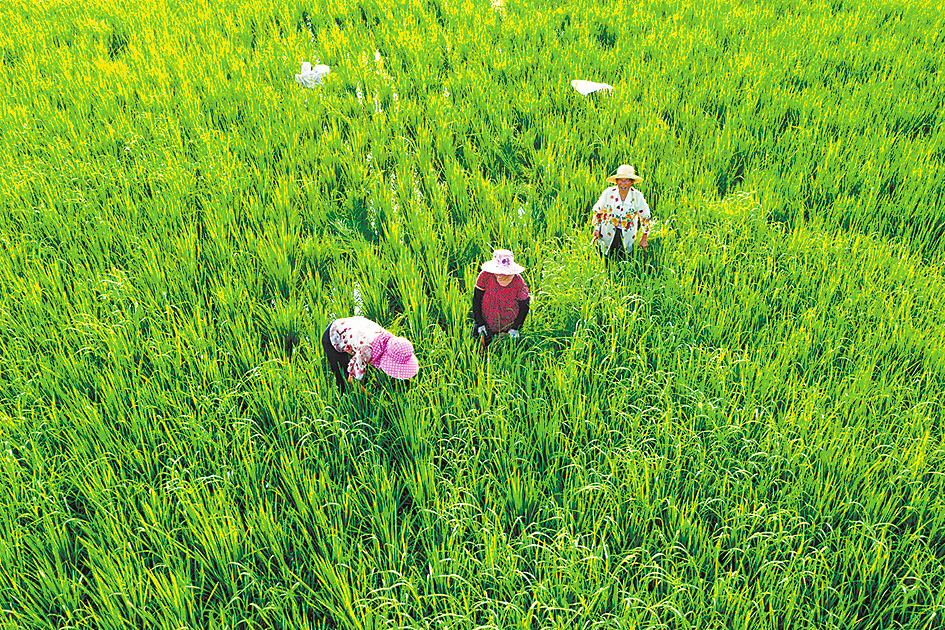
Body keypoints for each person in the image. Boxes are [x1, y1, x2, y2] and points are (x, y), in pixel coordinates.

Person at [322, 316, 419, 392]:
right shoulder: (367, 352)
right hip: (334, 336)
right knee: (342, 376)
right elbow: (351, 380)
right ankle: (343, 397)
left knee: (358, 362)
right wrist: (371, 398)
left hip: (352, 327)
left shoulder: (391, 341)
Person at [471, 249, 530, 348]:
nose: (500, 275)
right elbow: (476, 300)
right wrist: (480, 322)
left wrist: (516, 328)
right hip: (486, 321)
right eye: (498, 272)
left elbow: (525, 306)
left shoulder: (518, 282)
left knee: (506, 352)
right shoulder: (485, 276)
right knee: (479, 349)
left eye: (504, 273)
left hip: (509, 326)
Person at [592, 164, 651, 258]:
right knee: (606, 258)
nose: (623, 183)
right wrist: (597, 228)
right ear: (616, 181)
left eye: (627, 180)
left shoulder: (637, 196)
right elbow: (597, 211)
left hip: (627, 236)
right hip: (607, 233)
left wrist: (644, 238)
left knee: (624, 259)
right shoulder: (608, 193)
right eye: (621, 180)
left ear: (632, 182)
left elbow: (645, 217)